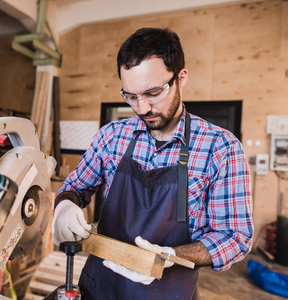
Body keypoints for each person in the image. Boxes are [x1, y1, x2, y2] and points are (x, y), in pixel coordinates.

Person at [52, 27, 253, 299]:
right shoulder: (112, 136)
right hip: (100, 286)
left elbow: (235, 237)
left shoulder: (220, 148)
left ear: (181, 78)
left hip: (169, 291)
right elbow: (76, 187)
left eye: (153, 93)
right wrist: (65, 204)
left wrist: (170, 257)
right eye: (131, 96)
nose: (142, 108)